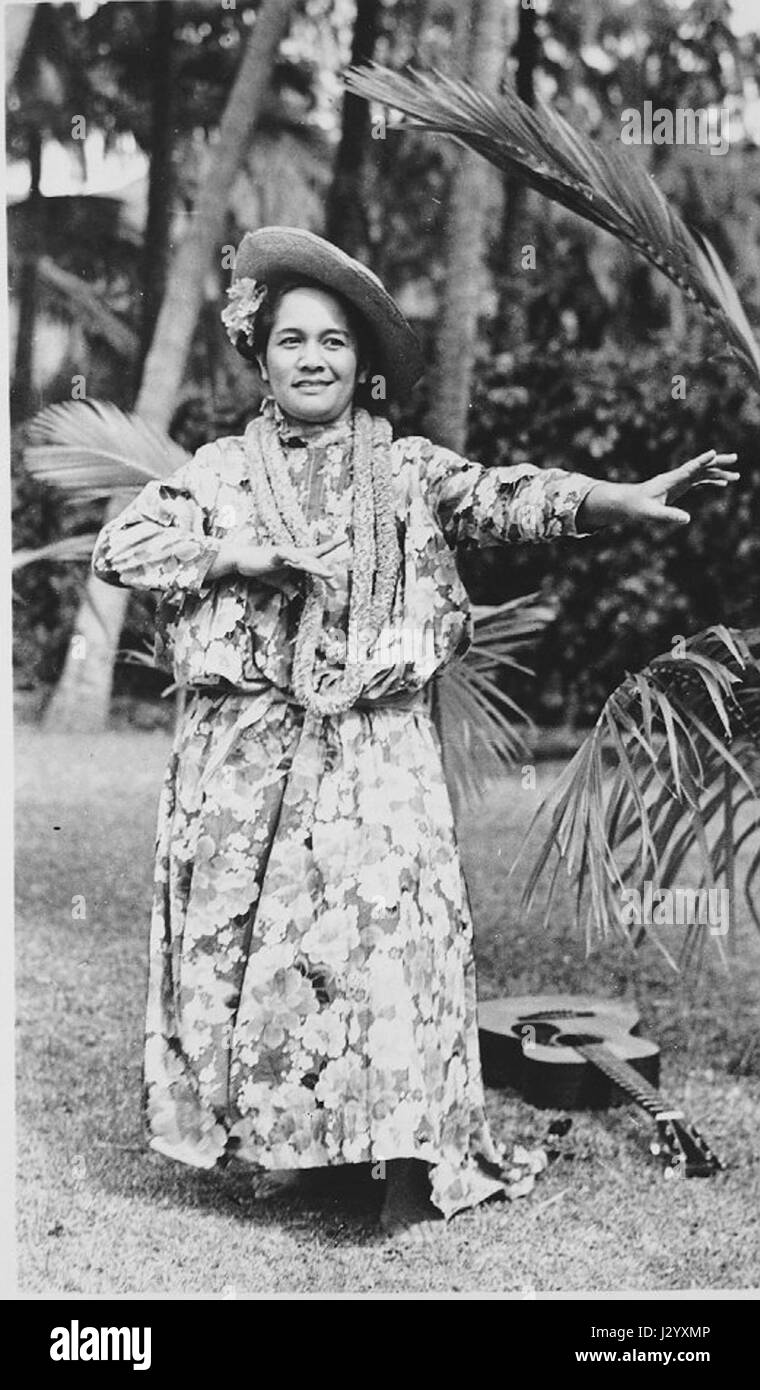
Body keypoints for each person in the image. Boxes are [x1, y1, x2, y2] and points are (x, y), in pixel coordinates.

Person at [91, 226, 739, 1241]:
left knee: (396, 946)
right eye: (293, 340)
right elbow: (122, 545)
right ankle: (295, 1153)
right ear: (260, 357)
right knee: (273, 955)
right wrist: (237, 551)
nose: (314, 359)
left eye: (336, 343)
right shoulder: (218, 470)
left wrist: (617, 496)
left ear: (365, 365)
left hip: (377, 752)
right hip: (246, 762)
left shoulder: (405, 469)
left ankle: (406, 1166)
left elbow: (504, 496)